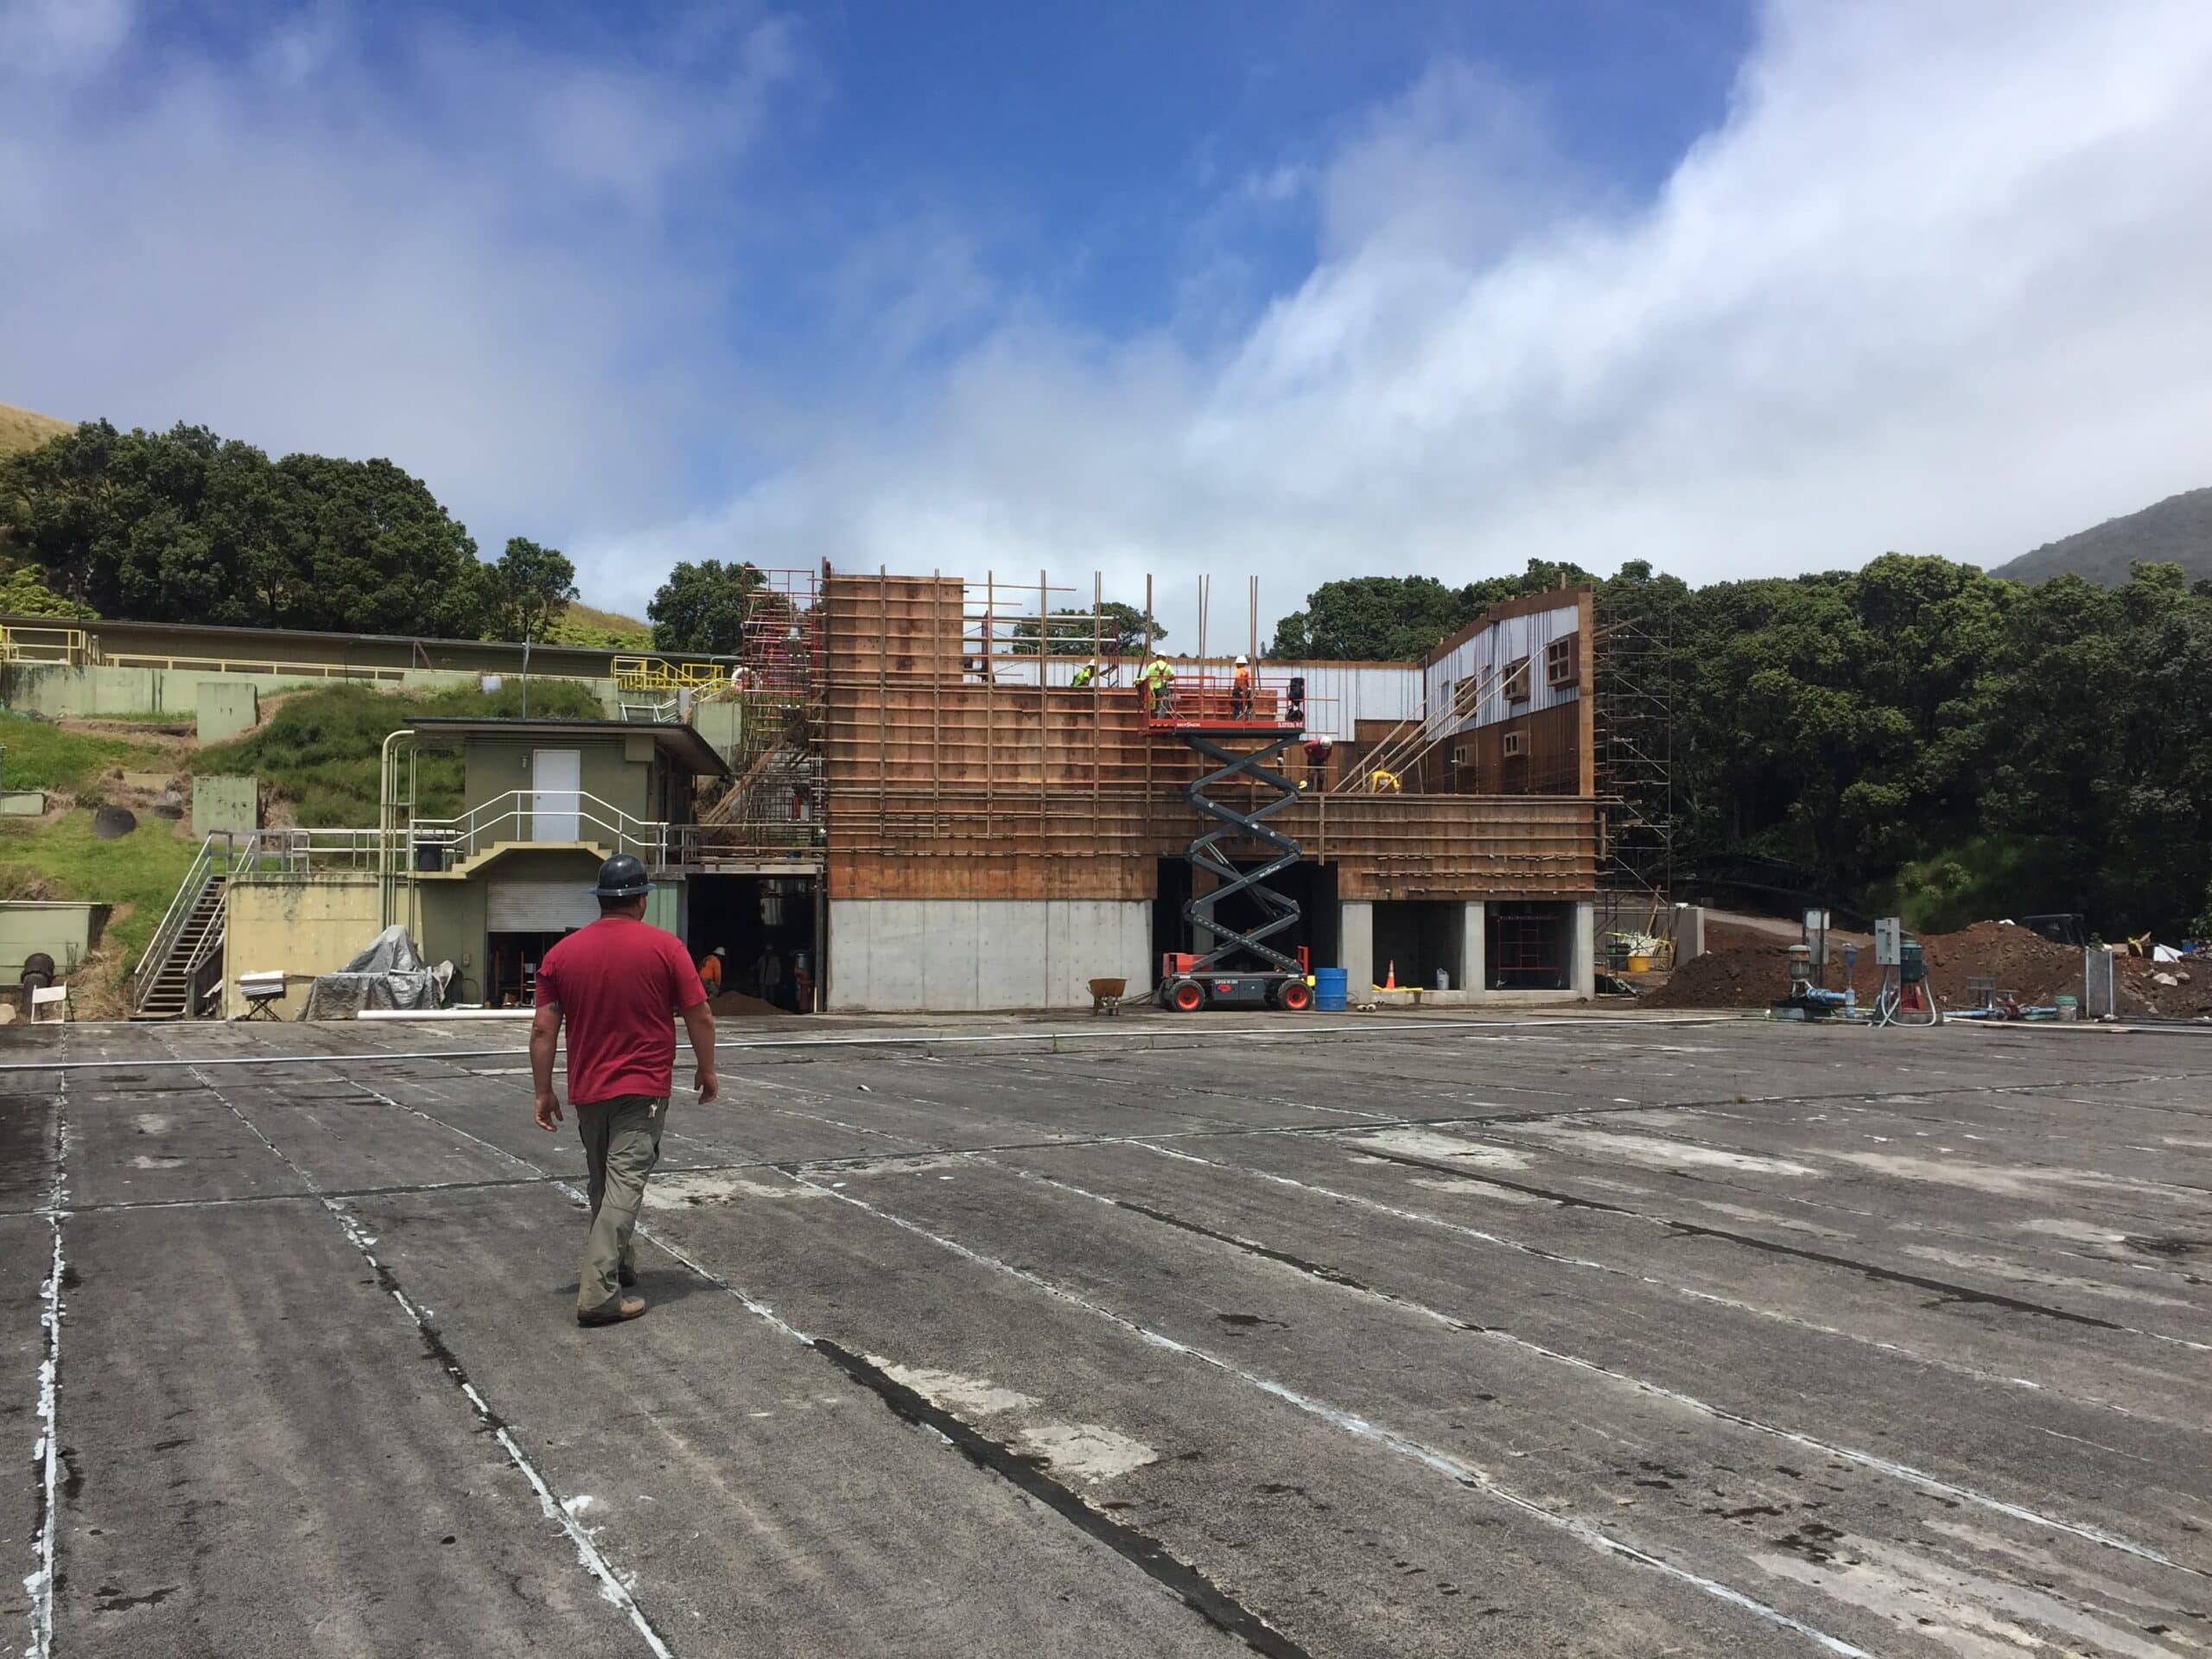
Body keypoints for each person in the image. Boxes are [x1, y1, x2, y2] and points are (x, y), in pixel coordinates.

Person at [531, 855, 718, 1328]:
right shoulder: (666, 948)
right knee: (624, 1186)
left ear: (601, 900)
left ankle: (619, 1263)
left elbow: (542, 1030)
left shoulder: (562, 955)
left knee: (602, 1182)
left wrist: (542, 1091)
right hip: (643, 1088)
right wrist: (707, 1068)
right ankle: (598, 1295)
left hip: (588, 1089)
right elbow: (699, 1015)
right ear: (640, 900)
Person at [1230, 653, 1254, 721]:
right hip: (1245, 690)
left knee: (1235, 704)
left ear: (1240, 664)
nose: (1236, 665)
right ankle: (1245, 715)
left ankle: (1236, 717)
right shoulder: (1246, 671)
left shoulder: (1239, 671)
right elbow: (1247, 682)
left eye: (1237, 663)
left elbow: (1238, 680)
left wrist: (1239, 690)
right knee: (1246, 703)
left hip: (1239, 690)